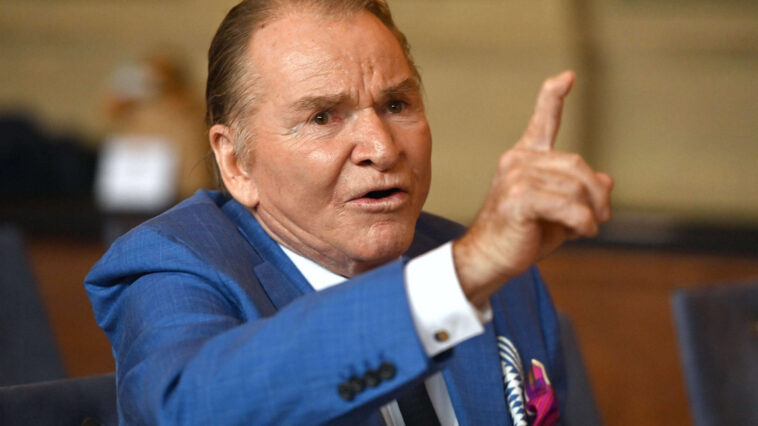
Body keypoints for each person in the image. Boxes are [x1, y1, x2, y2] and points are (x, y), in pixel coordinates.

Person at [85, 0, 613, 425]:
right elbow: (190, 411)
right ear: (236, 162)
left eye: (396, 105)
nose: (382, 148)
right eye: (323, 117)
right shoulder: (174, 264)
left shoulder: (500, 274)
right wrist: (461, 277)